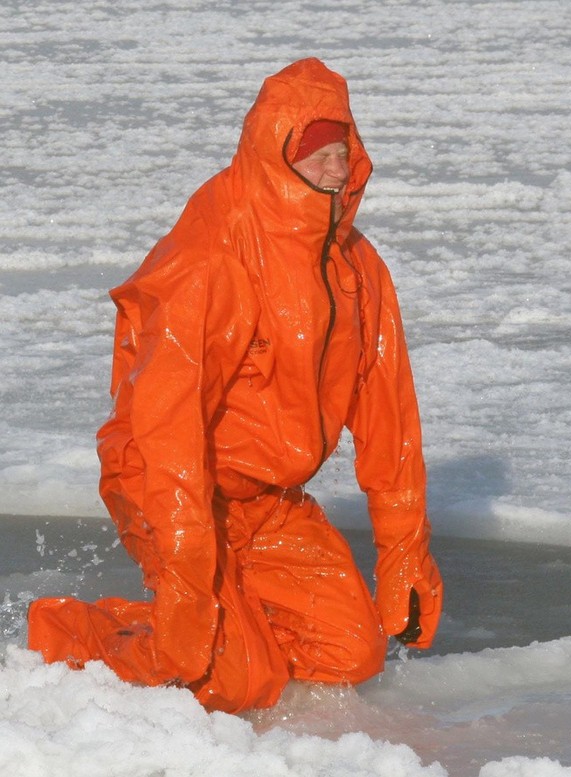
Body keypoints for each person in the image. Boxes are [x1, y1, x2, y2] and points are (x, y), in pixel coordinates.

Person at [28, 58, 443, 713]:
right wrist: (191, 569)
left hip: (267, 503)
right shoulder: (215, 255)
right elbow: (168, 427)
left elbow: (390, 420)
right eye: (320, 154)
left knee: (350, 651)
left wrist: (404, 556)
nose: (338, 168)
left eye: (344, 150)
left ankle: (227, 619)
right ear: (276, 153)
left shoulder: (358, 271)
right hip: (167, 480)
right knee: (233, 678)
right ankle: (75, 634)